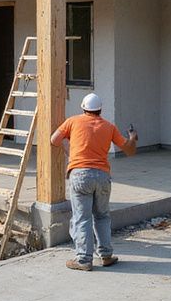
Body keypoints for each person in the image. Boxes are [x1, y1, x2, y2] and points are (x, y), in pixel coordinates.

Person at [51, 93, 137, 271]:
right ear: (100, 110)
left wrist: (71, 151)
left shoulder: (73, 121)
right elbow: (129, 151)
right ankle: (105, 255)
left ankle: (83, 259)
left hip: (80, 175)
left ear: (83, 108)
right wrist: (133, 138)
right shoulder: (109, 126)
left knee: (82, 218)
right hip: (103, 176)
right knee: (102, 216)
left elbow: (54, 140)